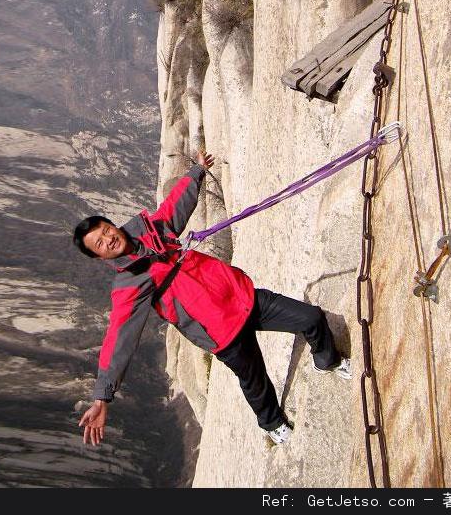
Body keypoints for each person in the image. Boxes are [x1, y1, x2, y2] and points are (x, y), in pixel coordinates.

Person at [73, 152, 351, 447]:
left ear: (112, 225)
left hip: (241, 298)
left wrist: (196, 172)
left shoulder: (153, 231)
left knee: (310, 318)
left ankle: (327, 360)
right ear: (100, 257)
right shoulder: (129, 285)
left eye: (106, 231)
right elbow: (119, 338)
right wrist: (102, 396)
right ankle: (272, 423)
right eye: (100, 244)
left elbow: (173, 206)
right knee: (255, 380)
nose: (108, 239)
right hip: (220, 331)